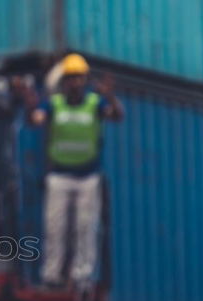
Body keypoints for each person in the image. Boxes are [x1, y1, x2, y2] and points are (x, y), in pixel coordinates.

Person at [23, 54, 124, 289]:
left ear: (86, 79)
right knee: (55, 228)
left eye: (79, 78)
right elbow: (35, 119)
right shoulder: (54, 105)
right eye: (70, 78)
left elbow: (117, 115)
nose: (75, 83)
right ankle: (52, 275)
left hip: (88, 177)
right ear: (64, 81)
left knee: (85, 227)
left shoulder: (95, 105)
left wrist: (109, 95)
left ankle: (82, 276)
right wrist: (29, 101)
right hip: (59, 176)